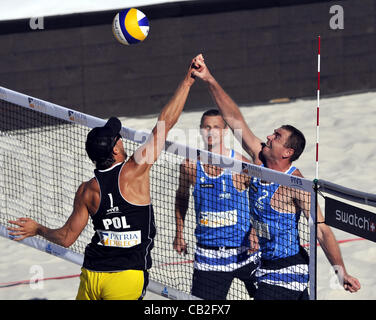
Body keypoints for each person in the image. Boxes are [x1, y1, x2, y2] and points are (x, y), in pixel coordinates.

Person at [7, 59, 197, 300]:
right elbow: (165, 124)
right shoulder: (134, 171)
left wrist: (38, 229)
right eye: (118, 138)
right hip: (125, 278)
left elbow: (66, 238)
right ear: (116, 150)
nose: (121, 139)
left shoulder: (87, 190)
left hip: (92, 275)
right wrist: (187, 81)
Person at [191, 53, 361, 300]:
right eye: (272, 134)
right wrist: (208, 78)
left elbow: (322, 231)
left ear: (287, 152)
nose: (269, 137)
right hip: (264, 265)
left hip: (288, 270)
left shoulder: (297, 184)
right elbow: (234, 119)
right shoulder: (259, 160)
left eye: (276, 137)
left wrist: (341, 272)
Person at [174, 109, 260, 300]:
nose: (211, 132)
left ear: (225, 131)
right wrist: (179, 233)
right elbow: (181, 197)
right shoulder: (189, 165)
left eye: (216, 127)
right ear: (200, 130)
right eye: (207, 127)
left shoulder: (240, 165)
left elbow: (260, 200)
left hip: (245, 251)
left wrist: (255, 230)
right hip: (209, 257)